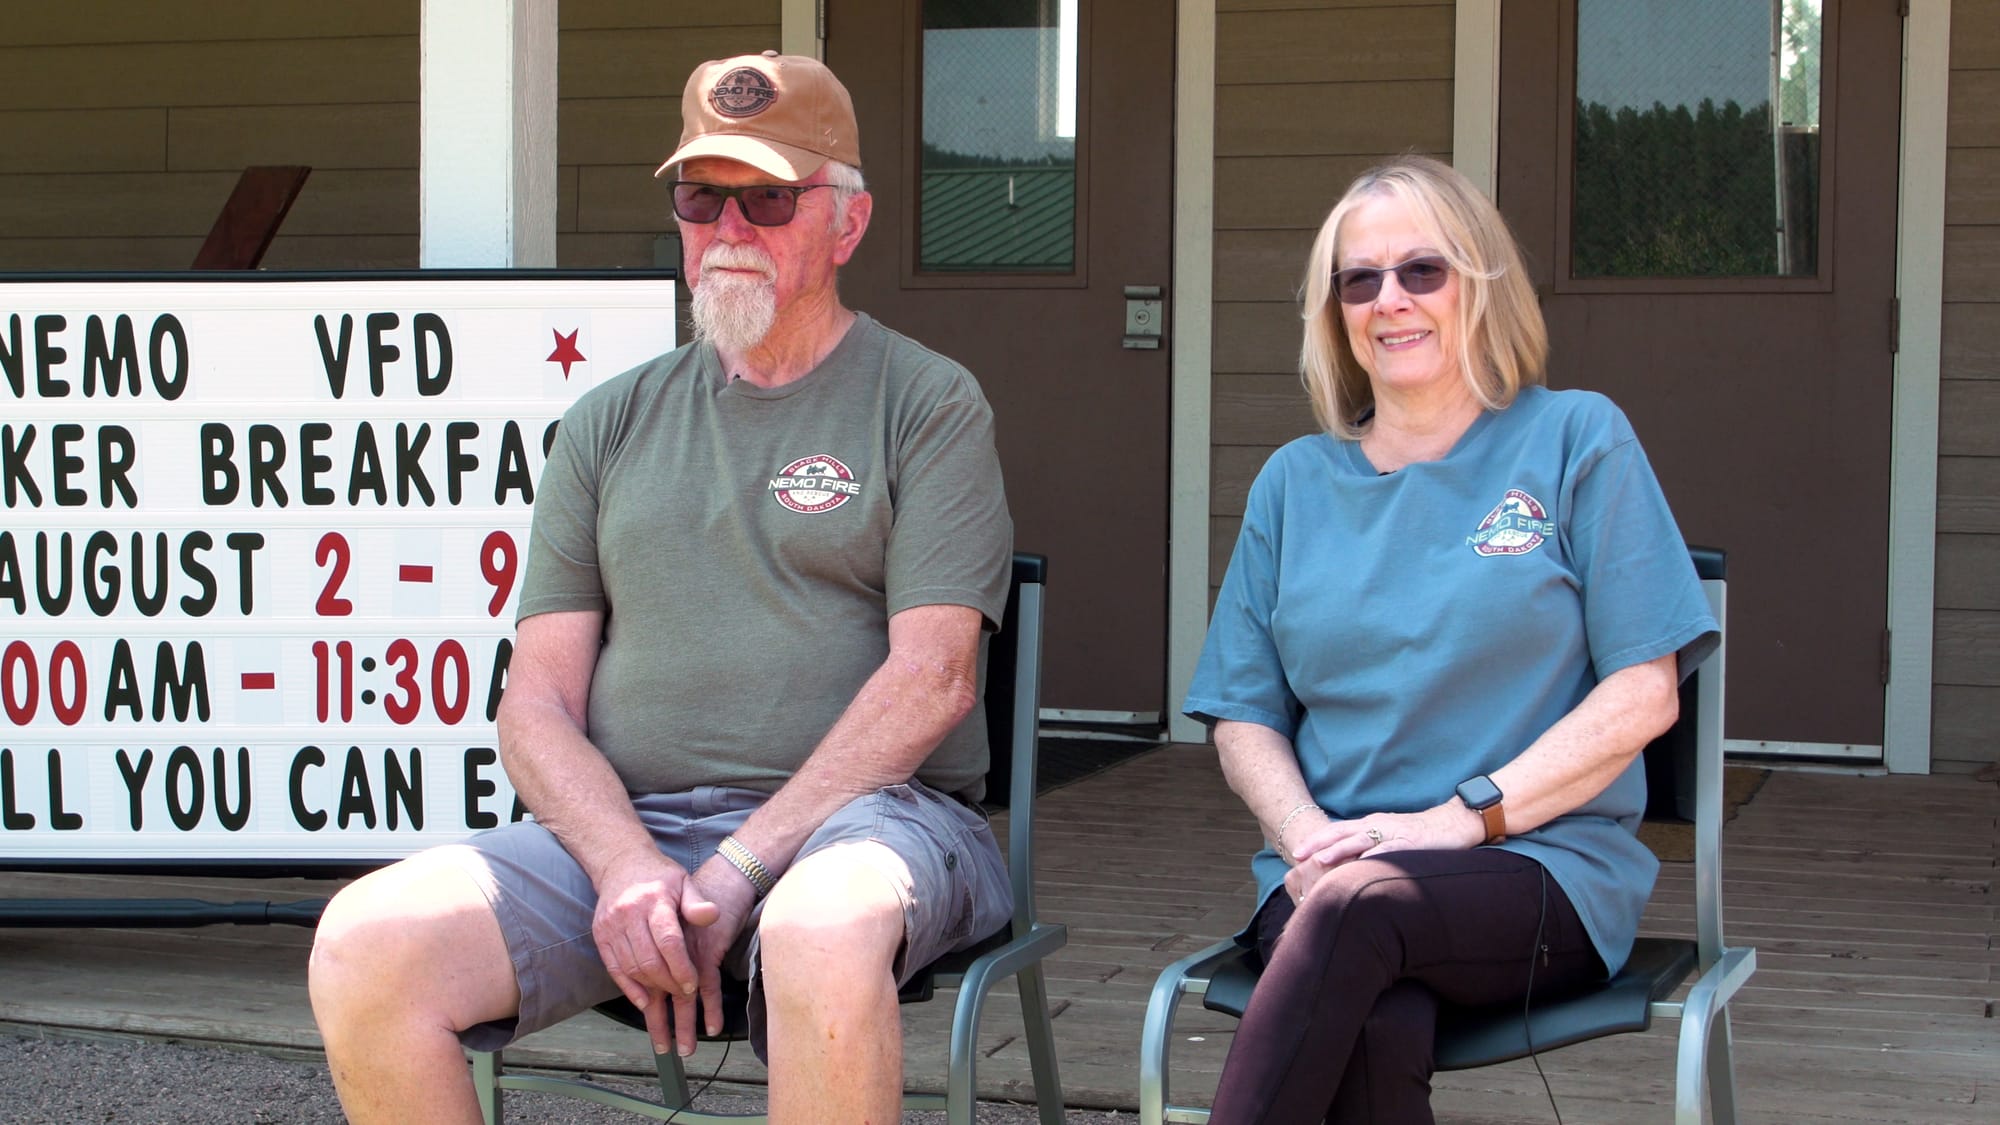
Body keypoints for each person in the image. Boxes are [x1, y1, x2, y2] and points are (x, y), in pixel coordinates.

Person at [308, 52, 1015, 1125]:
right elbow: (534, 706)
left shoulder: (924, 402)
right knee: (367, 943)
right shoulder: (607, 420)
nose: (729, 227)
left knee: (816, 930)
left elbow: (934, 678)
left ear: (847, 223)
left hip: (870, 829)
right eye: (700, 196)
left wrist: (737, 865)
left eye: (769, 197)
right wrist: (628, 864)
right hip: (627, 834)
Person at [1182, 154, 1719, 1124]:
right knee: (1376, 1020)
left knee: (1355, 921)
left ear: (1478, 283)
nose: (1389, 300)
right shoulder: (1293, 483)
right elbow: (1241, 716)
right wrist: (1308, 840)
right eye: (1359, 279)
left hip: (1530, 869)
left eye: (1419, 270)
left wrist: (1452, 823)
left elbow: (1643, 694)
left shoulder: (1573, 440)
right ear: (1332, 308)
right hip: (1322, 871)